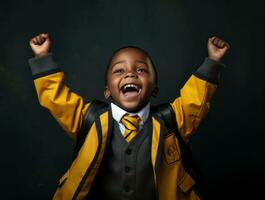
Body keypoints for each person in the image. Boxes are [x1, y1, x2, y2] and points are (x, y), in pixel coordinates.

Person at [28, 33, 229, 200]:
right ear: (107, 91)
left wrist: (212, 61)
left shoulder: (172, 121)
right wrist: (42, 58)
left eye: (141, 69)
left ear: (155, 89)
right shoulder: (88, 119)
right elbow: (57, 99)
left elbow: (195, 99)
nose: (130, 74)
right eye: (119, 70)